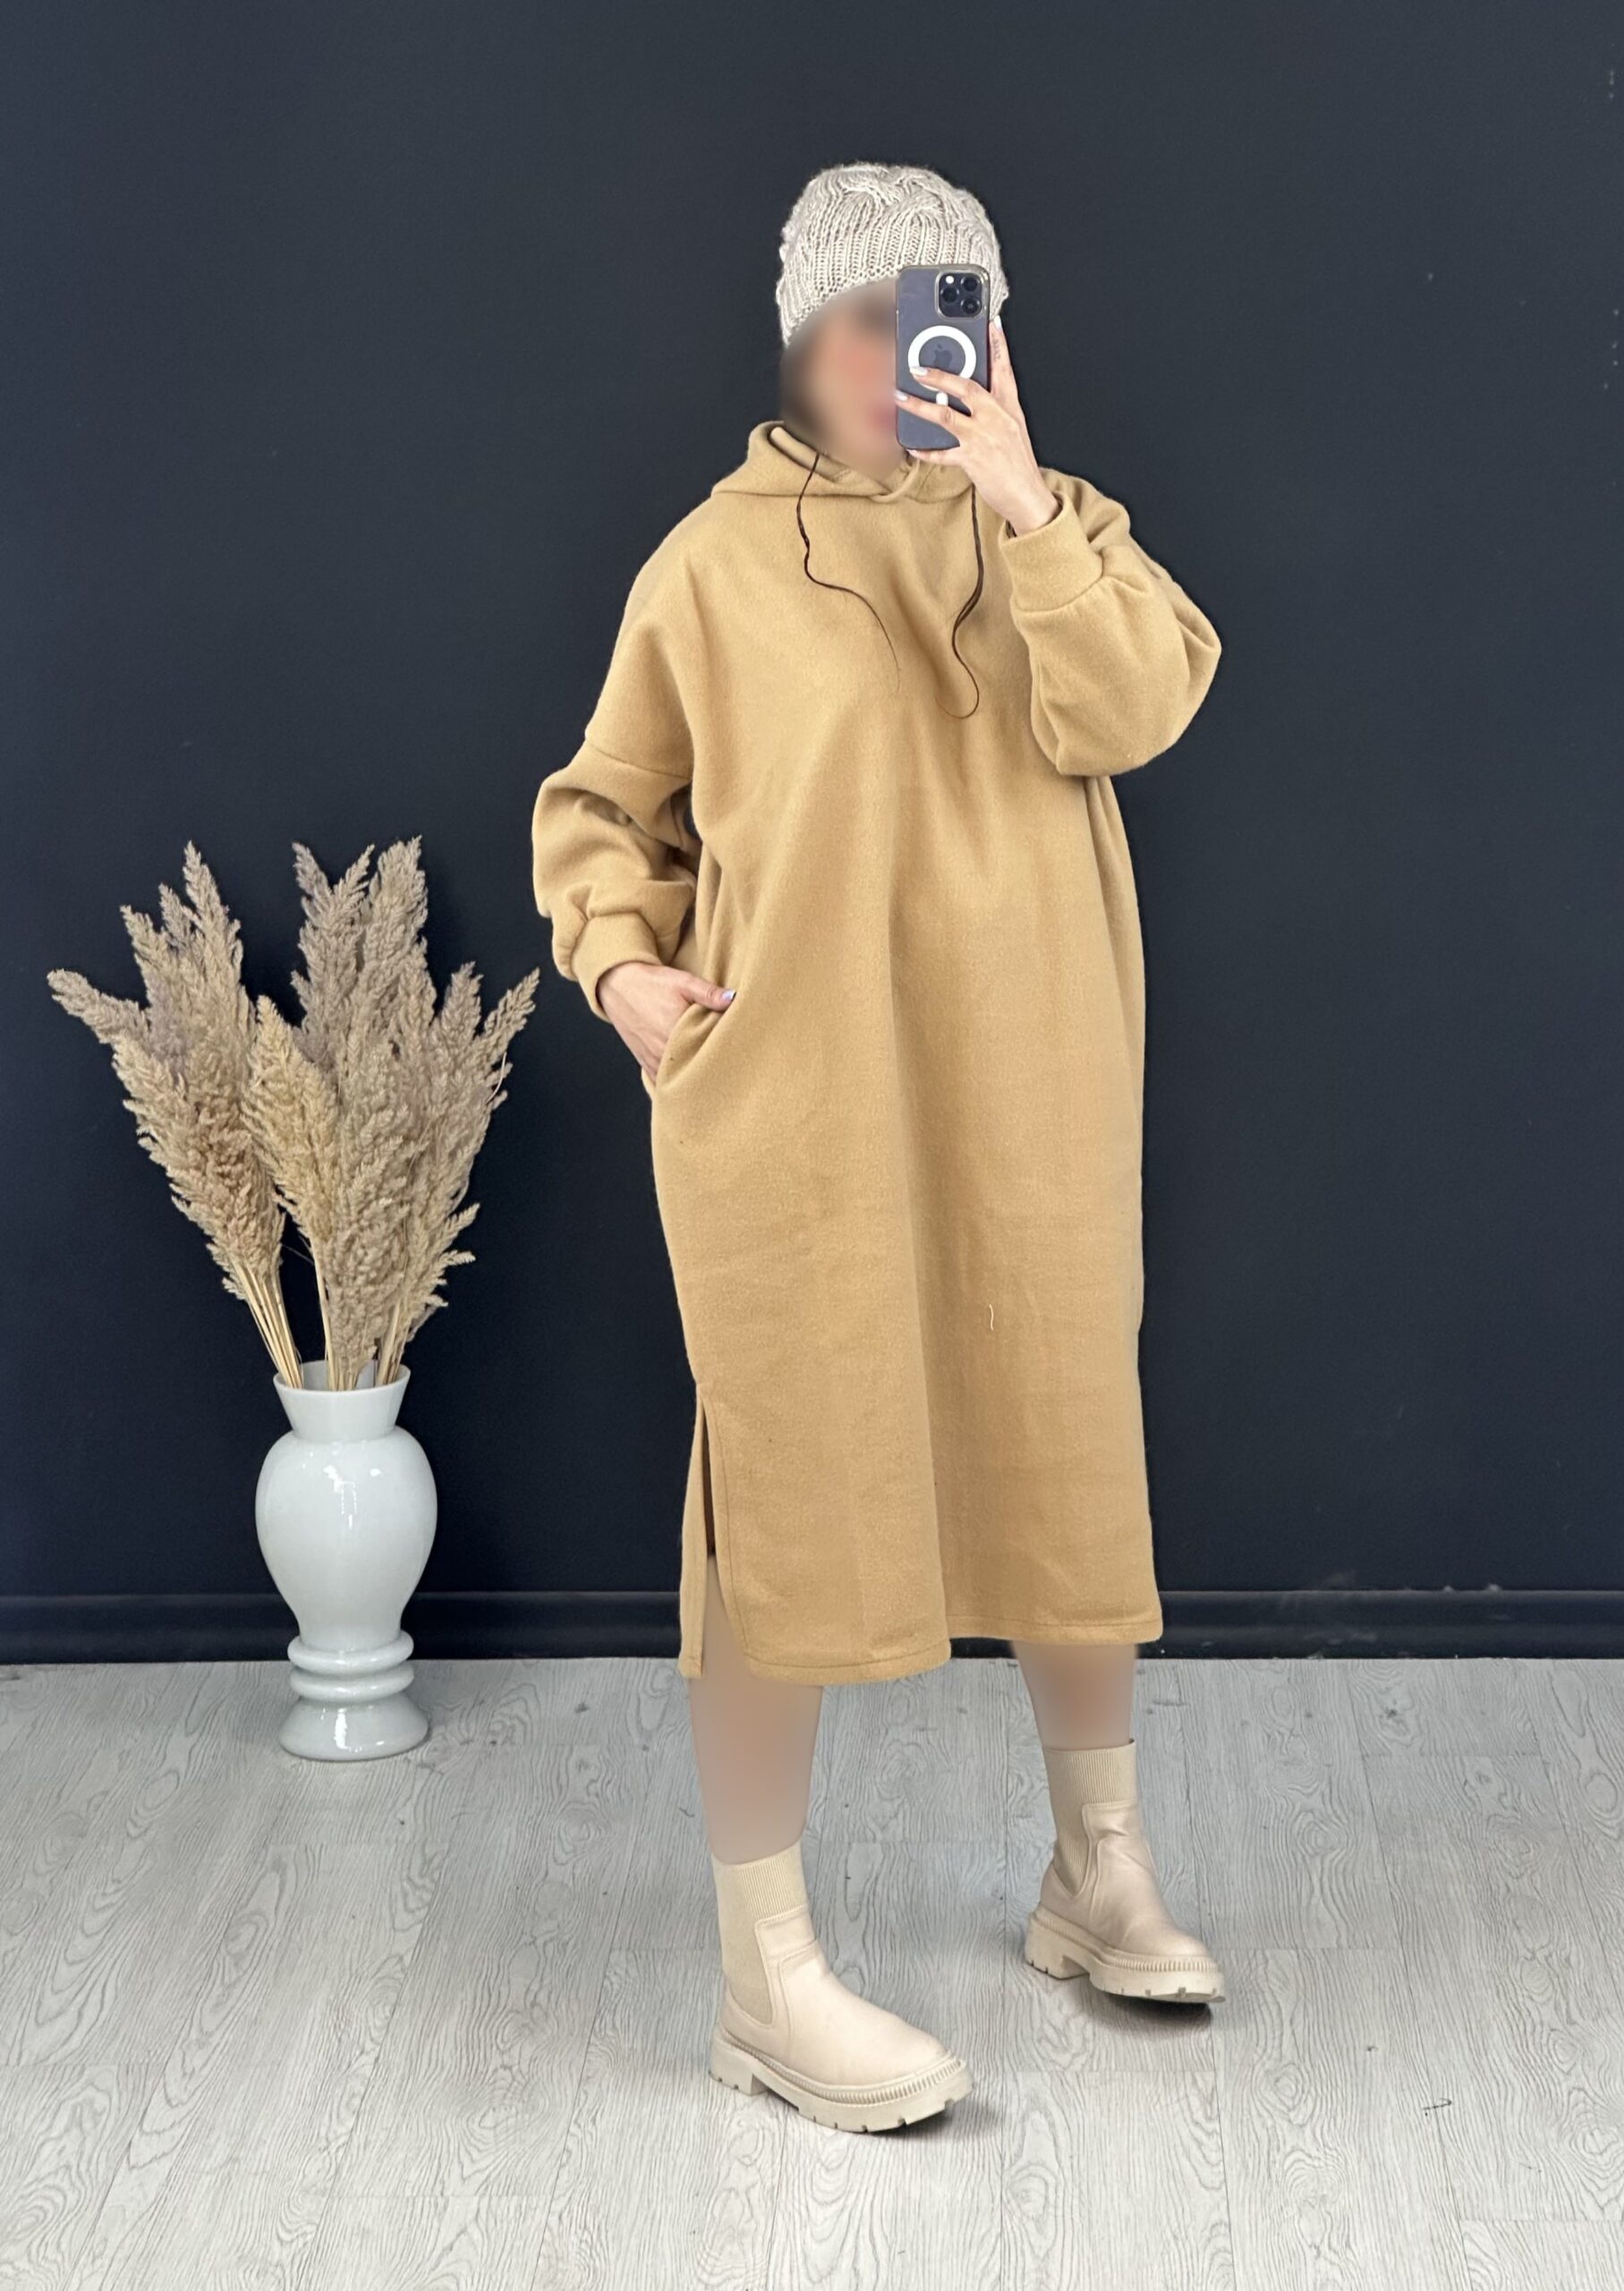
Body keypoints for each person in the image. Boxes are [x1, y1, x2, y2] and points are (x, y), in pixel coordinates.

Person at [531, 161, 1225, 2133]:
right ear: (797, 336)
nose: (885, 351)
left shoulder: (1059, 527)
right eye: (852, 314)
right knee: (787, 1492)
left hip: (1033, 1083)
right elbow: (604, 809)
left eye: (931, 309)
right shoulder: (708, 566)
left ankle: (1098, 1873)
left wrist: (1021, 507)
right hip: (804, 1102)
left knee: (1061, 1443)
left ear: (982, 332)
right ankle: (768, 1975)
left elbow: (1137, 706)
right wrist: (622, 970)